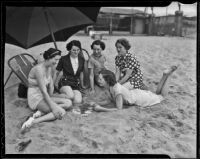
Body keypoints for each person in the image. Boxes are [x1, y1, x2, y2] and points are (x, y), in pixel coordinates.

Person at [21, 48, 72, 131]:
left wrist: (54, 96)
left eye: (58, 60)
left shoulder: (49, 67)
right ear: (48, 57)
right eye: (55, 59)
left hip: (44, 96)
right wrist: (54, 108)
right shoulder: (39, 70)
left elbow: (51, 85)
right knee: (61, 112)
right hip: (36, 97)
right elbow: (44, 91)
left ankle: (41, 112)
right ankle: (33, 121)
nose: (57, 62)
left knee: (68, 102)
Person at [89, 66, 177, 112]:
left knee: (162, 96)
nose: (98, 80)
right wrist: (97, 103)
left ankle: (169, 75)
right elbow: (110, 101)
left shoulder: (117, 91)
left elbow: (119, 109)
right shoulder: (109, 87)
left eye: (100, 79)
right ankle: (164, 75)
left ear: (107, 80)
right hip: (136, 94)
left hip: (140, 98)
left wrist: (101, 109)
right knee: (157, 94)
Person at [54, 40, 85, 104]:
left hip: (75, 83)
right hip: (65, 82)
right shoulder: (63, 59)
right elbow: (56, 72)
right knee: (70, 96)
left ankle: (66, 97)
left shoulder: (82, 59)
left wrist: (82, 85)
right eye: (74, 50)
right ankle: (53, 96)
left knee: (77, 101)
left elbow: (81, 73)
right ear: (70, 50)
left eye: (78, 50)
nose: (76, 52)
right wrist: (54, 84)